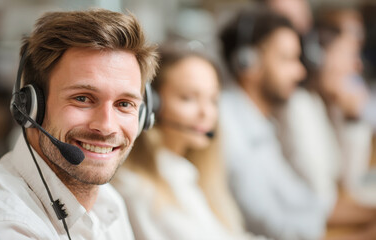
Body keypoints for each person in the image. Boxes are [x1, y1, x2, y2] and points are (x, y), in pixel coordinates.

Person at [0, 8, 158, 240]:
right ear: (30, 108)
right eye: (82, 98)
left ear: (143, 116)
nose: (107, 126)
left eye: (124, 104)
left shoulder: (109, 202)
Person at [112, 47, 263, 240]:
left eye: (213, 100)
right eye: (188, 98)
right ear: (151, 105)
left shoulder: (186, 175)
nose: (206, 112)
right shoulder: (139, 189)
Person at [218, 6, 327, 240]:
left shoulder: (259, 122)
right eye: (287, 59)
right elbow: (273, 227)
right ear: (247, 62)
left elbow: (304, 202)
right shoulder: (227, 124)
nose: (300, 72)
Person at [275, 5, 376, 239]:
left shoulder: (321, 104)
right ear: (317, 57)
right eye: (347, 55)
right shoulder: (299, 108)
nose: (356, 66)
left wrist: (352, 119)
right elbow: (324, 196)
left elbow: (350, 180)